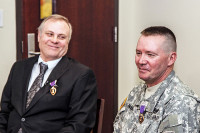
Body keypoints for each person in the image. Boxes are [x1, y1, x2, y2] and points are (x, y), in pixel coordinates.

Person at [0, 14, 97, 133]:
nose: (54, 40)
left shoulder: (81, 75)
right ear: (39, 36)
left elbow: (79, 124)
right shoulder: (19, 68)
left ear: (68, 42)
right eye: (50, 34)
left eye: (61, 37)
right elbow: (4, 112)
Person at [113, 26, 200, 133]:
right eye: (138, 53)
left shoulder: (181, 102)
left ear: (171, 58)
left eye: (150, 54)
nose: (141, 61)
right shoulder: (136, 92)